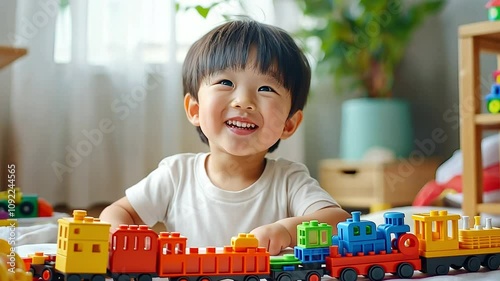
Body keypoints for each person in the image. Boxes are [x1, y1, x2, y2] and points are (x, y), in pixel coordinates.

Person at [99, 18, 350, 255]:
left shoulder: (289, 180)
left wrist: (287, 231)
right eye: (226, 83)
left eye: (266, 88)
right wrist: (125, 238)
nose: (243, 101)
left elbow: (338, 220)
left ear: (289, 124)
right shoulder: (176, 175)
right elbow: (118, 212)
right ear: (194, 110)